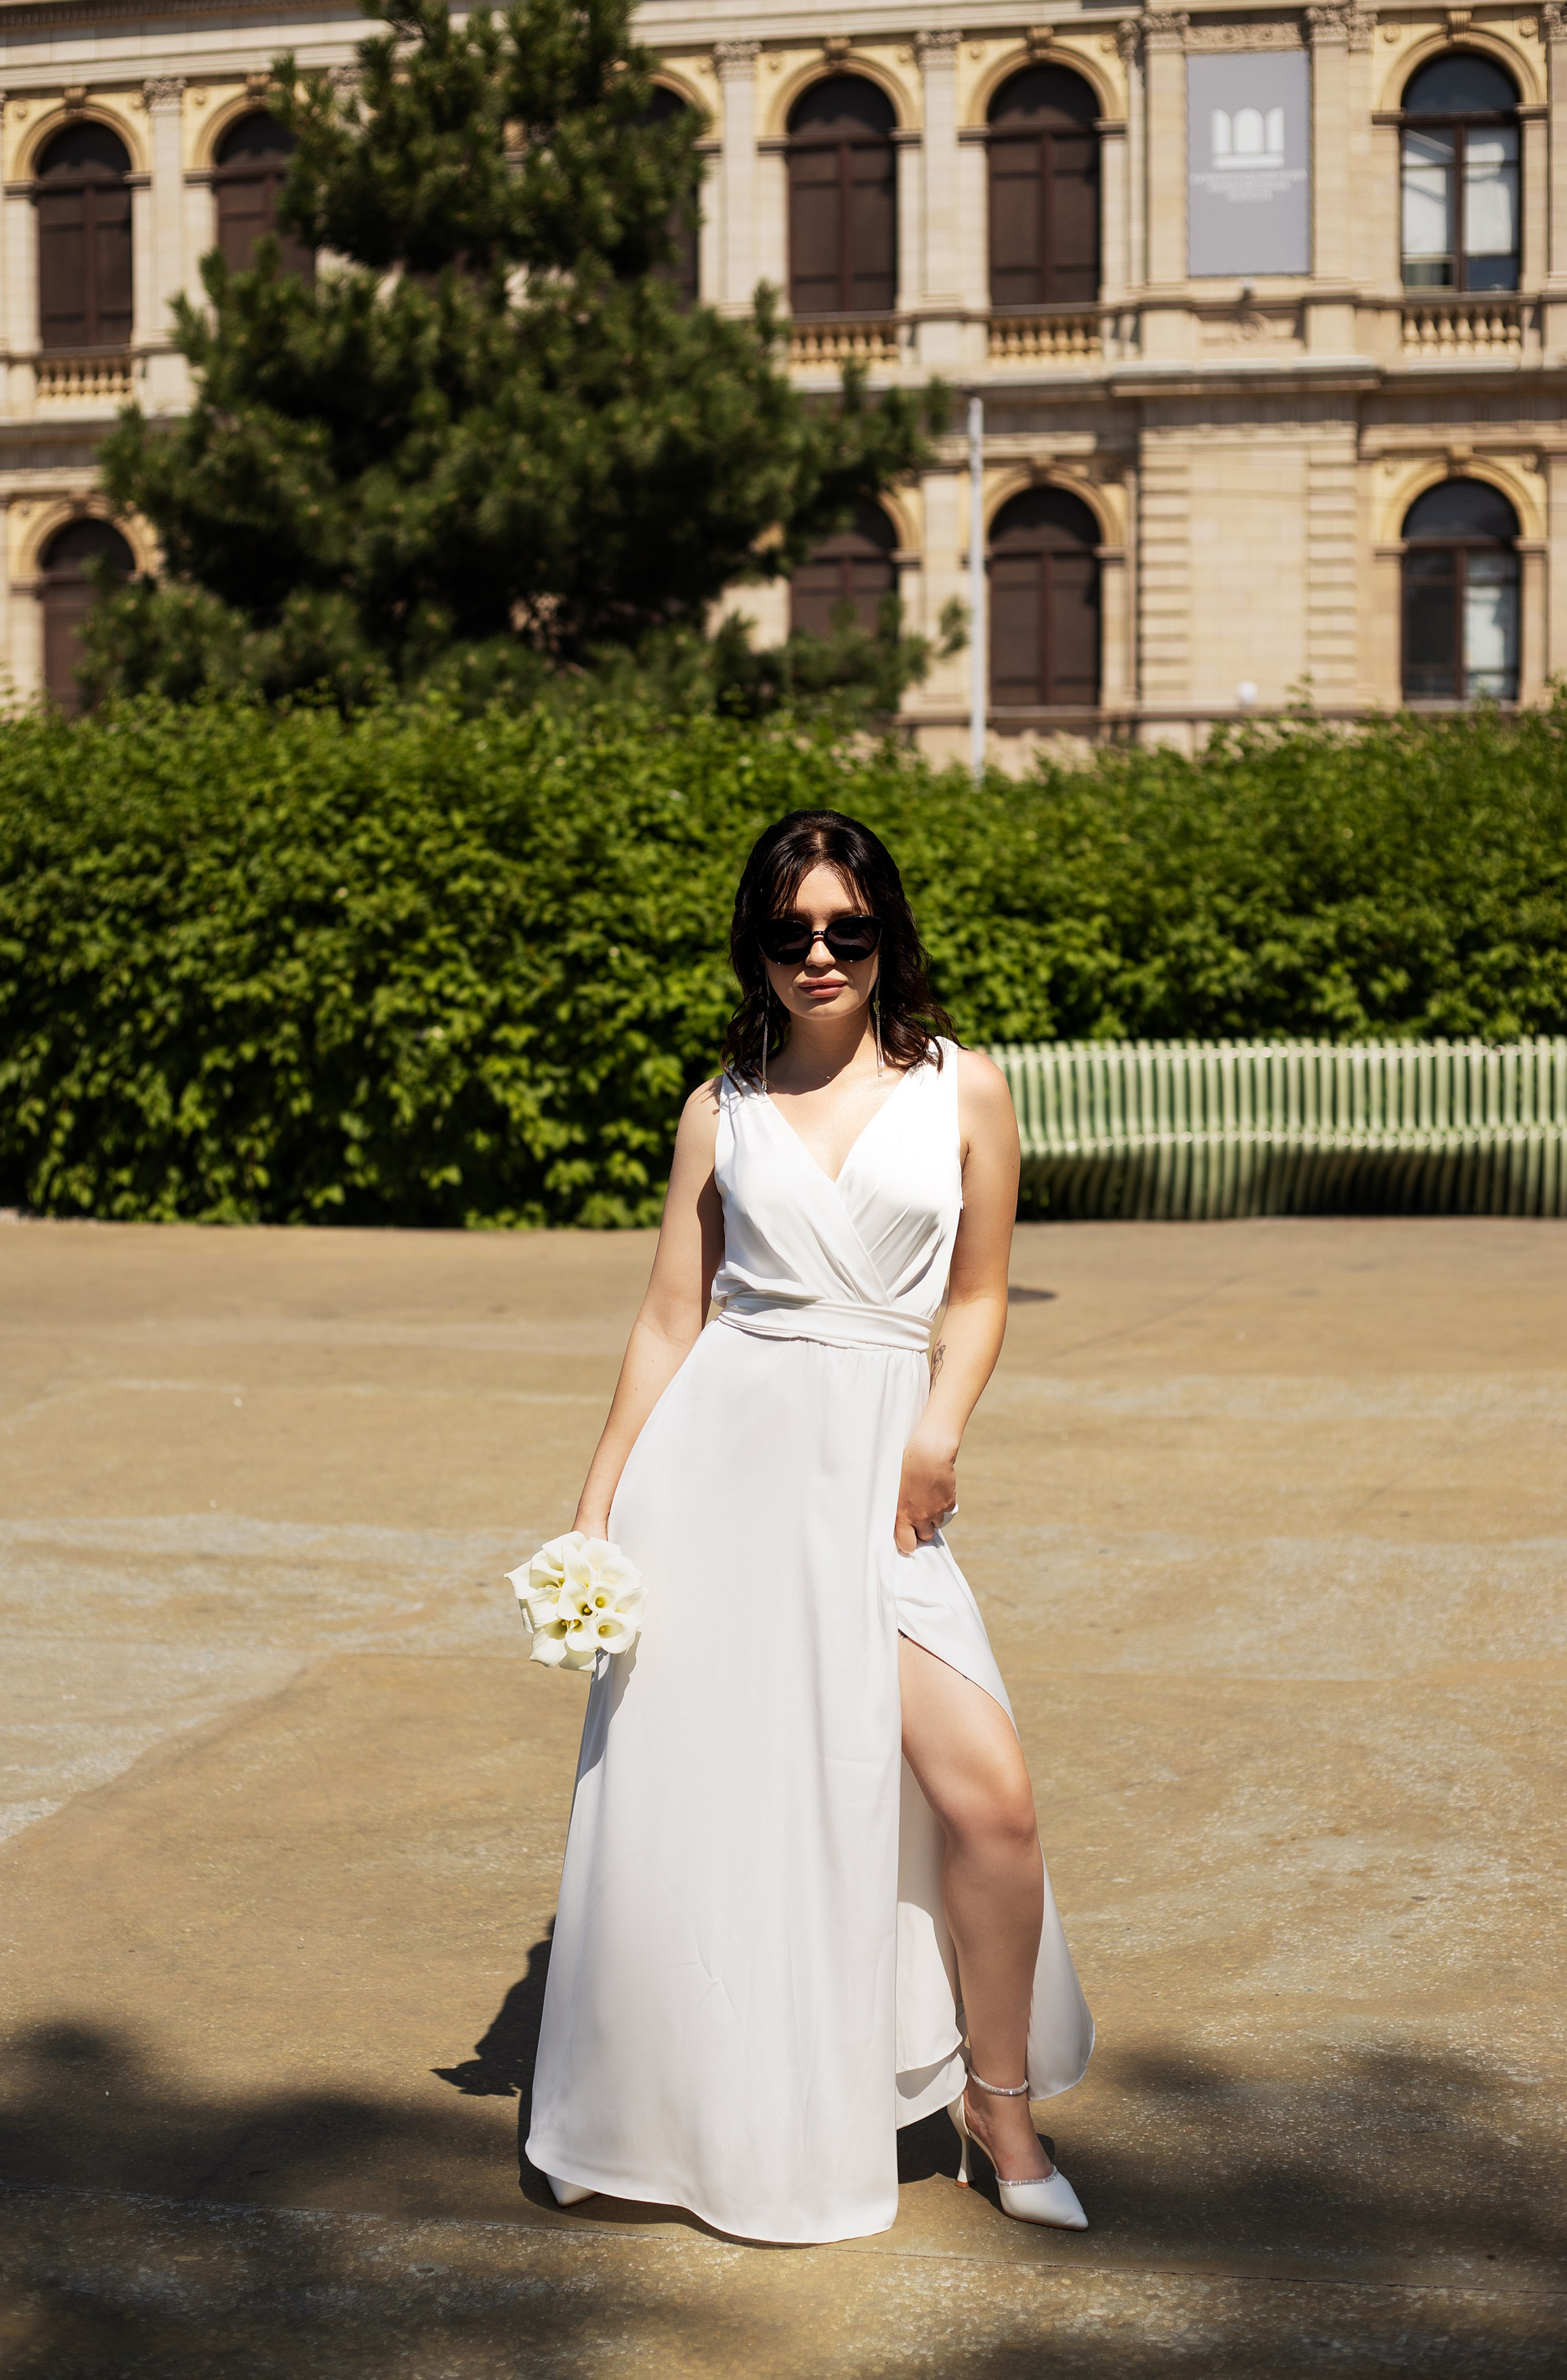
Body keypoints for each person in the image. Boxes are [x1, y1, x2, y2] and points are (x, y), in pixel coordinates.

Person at [525, 808, 1093, 2245]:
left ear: (886, 933)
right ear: (757, 948)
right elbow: (672, 1317)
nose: (820, 955)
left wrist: (939, 1434)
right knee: (709, 1805)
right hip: (718, 1480)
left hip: (882, 1483)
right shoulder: (718, 1110)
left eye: (847, 928)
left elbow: (978, 1293)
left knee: (990, 1801)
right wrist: (597, 1509)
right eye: (791, 933)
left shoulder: (964, 1087)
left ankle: (1000, 2104)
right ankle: (653, 2109)